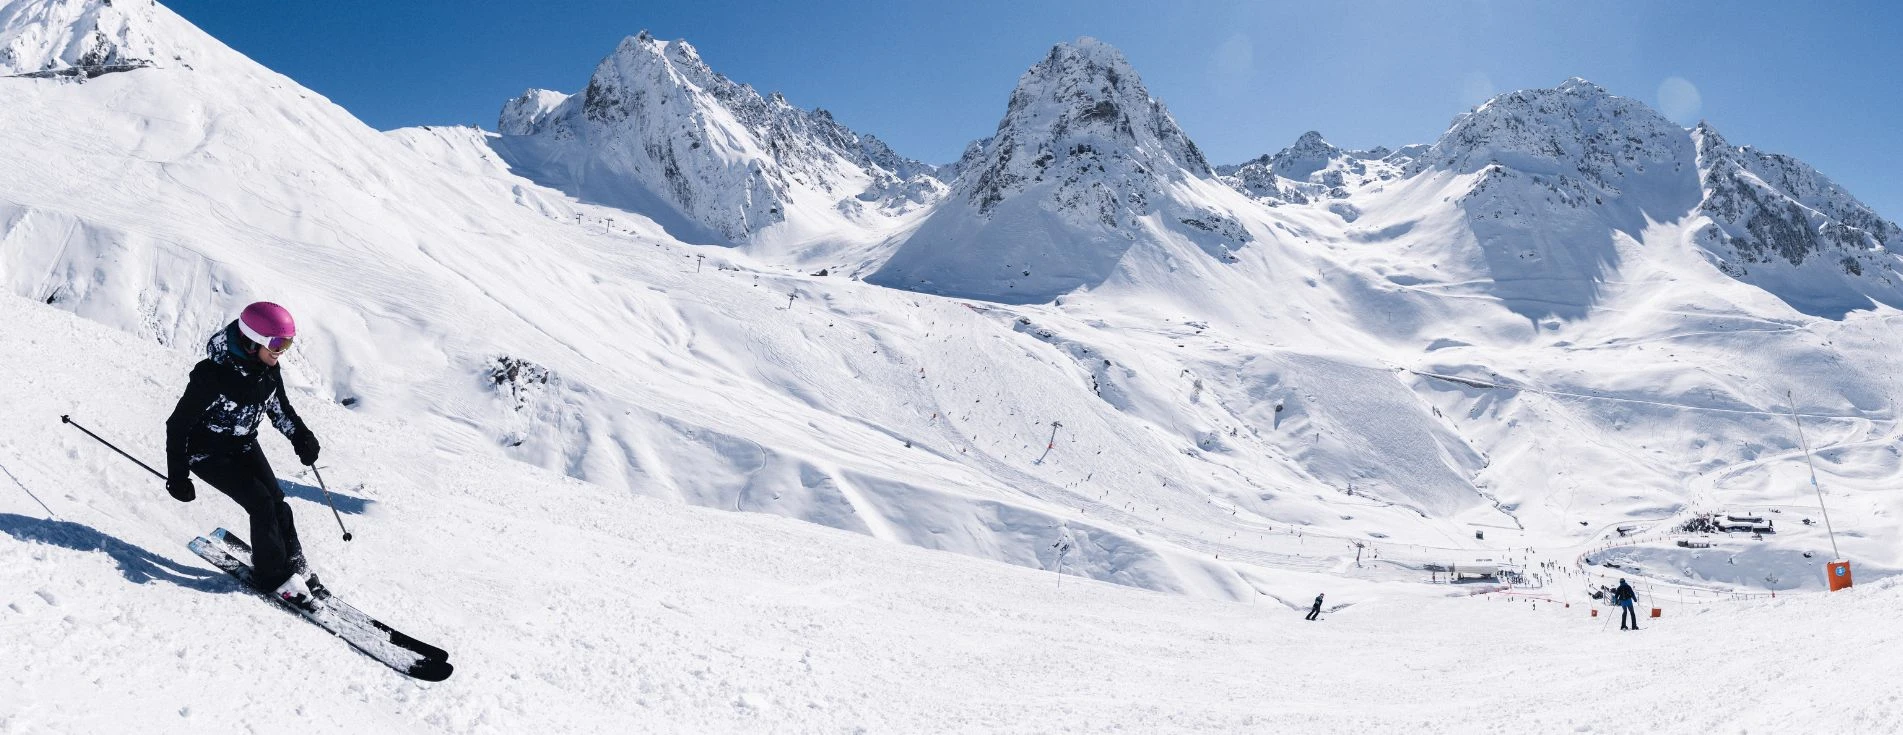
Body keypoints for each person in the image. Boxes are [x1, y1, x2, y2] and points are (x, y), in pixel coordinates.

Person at [165, 302, 324, 607]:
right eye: (277, 343)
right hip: (206, 453)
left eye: (287, 343)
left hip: (243, 444)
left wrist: (301, 437)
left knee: (277, 500)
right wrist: (178, 476)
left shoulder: (268, 370)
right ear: (253, 341)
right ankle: (273, 576)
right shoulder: (212, 376)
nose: (281, 351)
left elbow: (280, 410)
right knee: (261, 503)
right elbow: (178, 425)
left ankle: (294, 562)